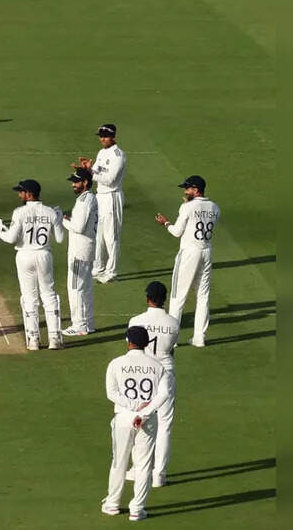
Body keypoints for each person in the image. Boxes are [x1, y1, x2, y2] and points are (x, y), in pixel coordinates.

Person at [101, 326, 171, 522]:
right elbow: (164, 394)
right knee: (144, 465)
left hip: (124, 416)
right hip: (148, 419)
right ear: (146, 343)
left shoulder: (116, 363)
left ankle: (112, 504)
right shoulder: (158, 367)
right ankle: (137, 509)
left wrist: (133, 407)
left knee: (119, 461)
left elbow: (111, 393)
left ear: (128, 341)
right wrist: (144, 412)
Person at [0, 179, 64, 350]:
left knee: (30, 298)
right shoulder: (50, 212)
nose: (19, 195)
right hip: (44, 255)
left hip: (24, 256)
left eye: (21, 192)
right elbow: (60, 239)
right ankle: (55, 339)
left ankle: (33, 340)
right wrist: (58, 220)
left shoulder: (19, 213)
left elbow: (11, 239)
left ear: (29, 194)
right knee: (49, 296)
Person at [154, 175, 220, 347]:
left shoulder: (187, 207)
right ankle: (199, 338)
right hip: (206, 251)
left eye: (187, 188)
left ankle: (172, 339)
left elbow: (177, 232)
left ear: (196, 190)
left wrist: (165, 223)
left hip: (189, 253)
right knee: (203, 296)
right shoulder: (215, 207)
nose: (185, 191)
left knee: (178, 296)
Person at [127, 281, 180, 487]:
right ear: (164, 299)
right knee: (165, 423)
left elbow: (132, 347)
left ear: (147, 297)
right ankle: (159, 475)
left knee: (138, 417)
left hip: (143, 373)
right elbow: (171, 349)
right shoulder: (174, 323)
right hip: (165, 371)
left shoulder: (136, 321)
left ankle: (138, 468)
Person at [73, 123, 125, 283]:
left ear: (113, 136)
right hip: (100, 196)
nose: (102, 139)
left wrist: (90, 173)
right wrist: (85, 169)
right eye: (101, 136)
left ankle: (112, 272)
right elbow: (95, 172)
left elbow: (110, 180)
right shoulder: (102, 152)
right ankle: (98, 268)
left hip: (112, 197)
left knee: (111, 237)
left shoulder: (118, 155)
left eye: (105, 136)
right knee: (98, 234)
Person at [62, 167, 98, 336]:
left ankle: (79, 325)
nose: (73, 185)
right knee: (86, 287)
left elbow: (78, 227)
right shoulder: (89, 198)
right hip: (86, 248)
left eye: (76, 182)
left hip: (80, 251)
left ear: (85, 182)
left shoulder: (85, 200)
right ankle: (88, 323)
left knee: (75, 288)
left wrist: (62, 220)